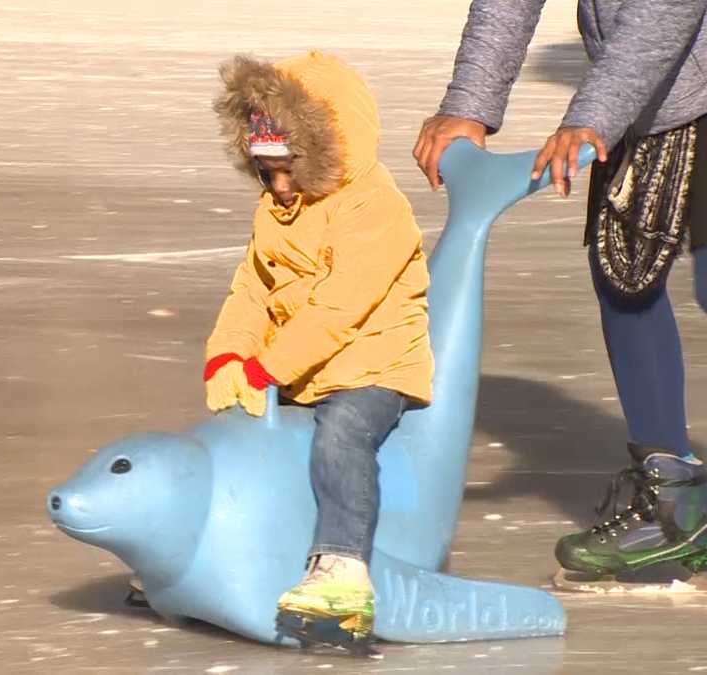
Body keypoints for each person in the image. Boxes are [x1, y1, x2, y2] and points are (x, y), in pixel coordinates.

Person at [414, 0, 707, 582]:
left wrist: (594, 114)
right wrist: (469, 104)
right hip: (639, 99)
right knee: (625, 278)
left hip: (666, 81)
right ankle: (676, 501)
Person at [200, 51, 434, 639]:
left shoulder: (374, 209)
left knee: (341, 438)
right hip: (299, 369)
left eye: (288, 169)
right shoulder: (275, 211)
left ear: (327, 151)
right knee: (238, 432)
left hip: (374, 366)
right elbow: (251, 291)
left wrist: (267, 367)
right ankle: (214, 551)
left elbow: (337, 311)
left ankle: (342, 568)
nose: (278, 187)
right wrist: (229, 357)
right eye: (264, 171)